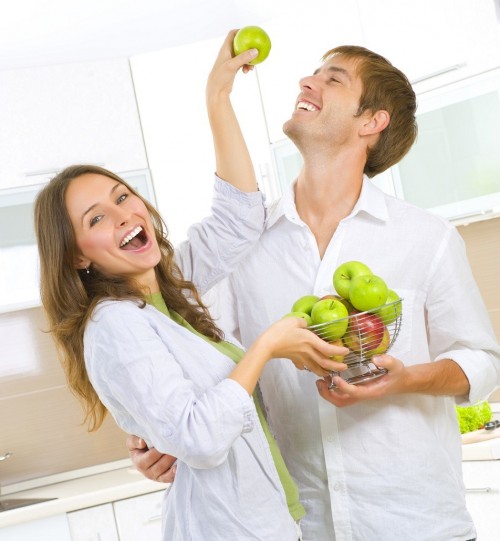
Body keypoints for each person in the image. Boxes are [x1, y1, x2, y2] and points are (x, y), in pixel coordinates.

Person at [128, 43, 500, 541]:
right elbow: (212, 366)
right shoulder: (248, 246)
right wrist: (163, 435)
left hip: (418, 522)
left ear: (372, 122)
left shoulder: (425, 237)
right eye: (312, 75)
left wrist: (405, 379)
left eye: (334, 79)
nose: (307, 83)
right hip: (306, 526)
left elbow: (481, 360)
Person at [34, 31, 347, 541]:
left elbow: (240, 217)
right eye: (96, 218)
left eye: (122, 196)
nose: (123, 215)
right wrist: (267, 346)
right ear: (75, 255)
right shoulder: (112, 325)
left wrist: (217, 96)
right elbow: (199, 438)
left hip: (274, 522)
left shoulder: (171, 287)